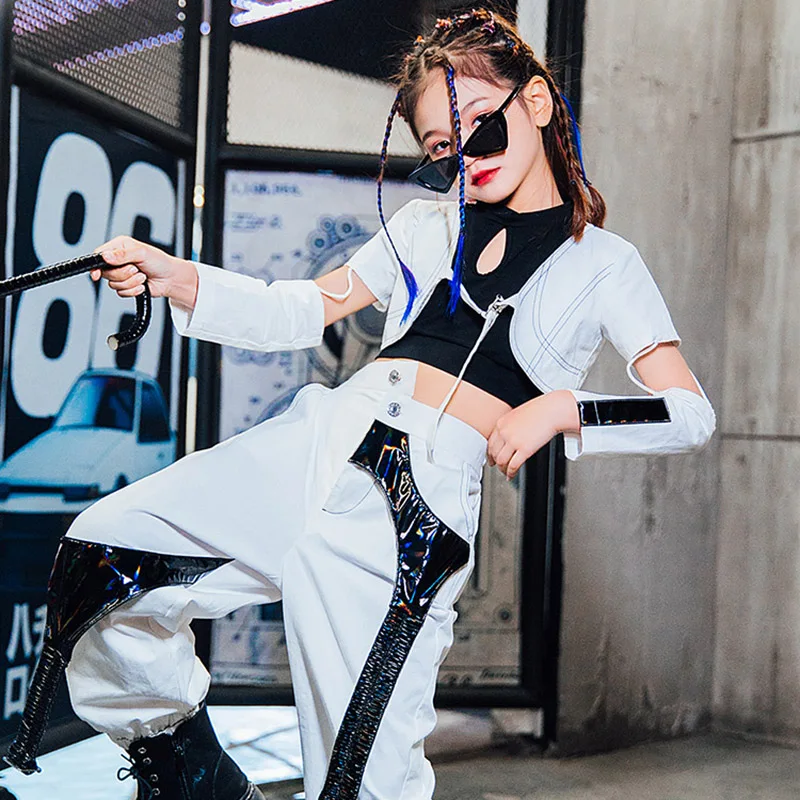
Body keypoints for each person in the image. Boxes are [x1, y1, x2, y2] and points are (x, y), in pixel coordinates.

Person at [4, 8, 715, 800]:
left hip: (410, 512)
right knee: (103, 560)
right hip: (318, 441)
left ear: (538, 102)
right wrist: (179, 278)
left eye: (483, 126)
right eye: (441, 149)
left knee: (359, 781)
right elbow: (302, 309)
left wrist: (563, 410)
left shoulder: (606, 265)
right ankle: (194, 778)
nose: (466, 158)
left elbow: (689, 413)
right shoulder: (424, 224)